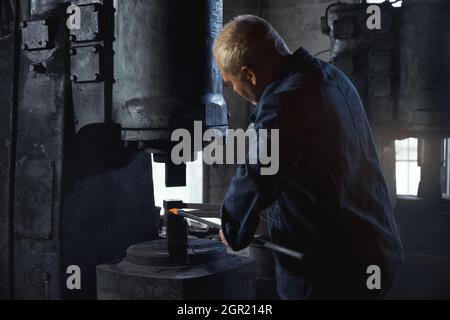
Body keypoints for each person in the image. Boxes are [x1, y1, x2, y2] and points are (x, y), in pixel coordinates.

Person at [213, 14, 404, 299]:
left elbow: (255, 173)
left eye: (231, 83)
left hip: (329, 276)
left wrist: (231, 225)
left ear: (249, 74)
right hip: (375, 251)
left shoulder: (282, 106)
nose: (236, 92)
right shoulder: (330, 77)